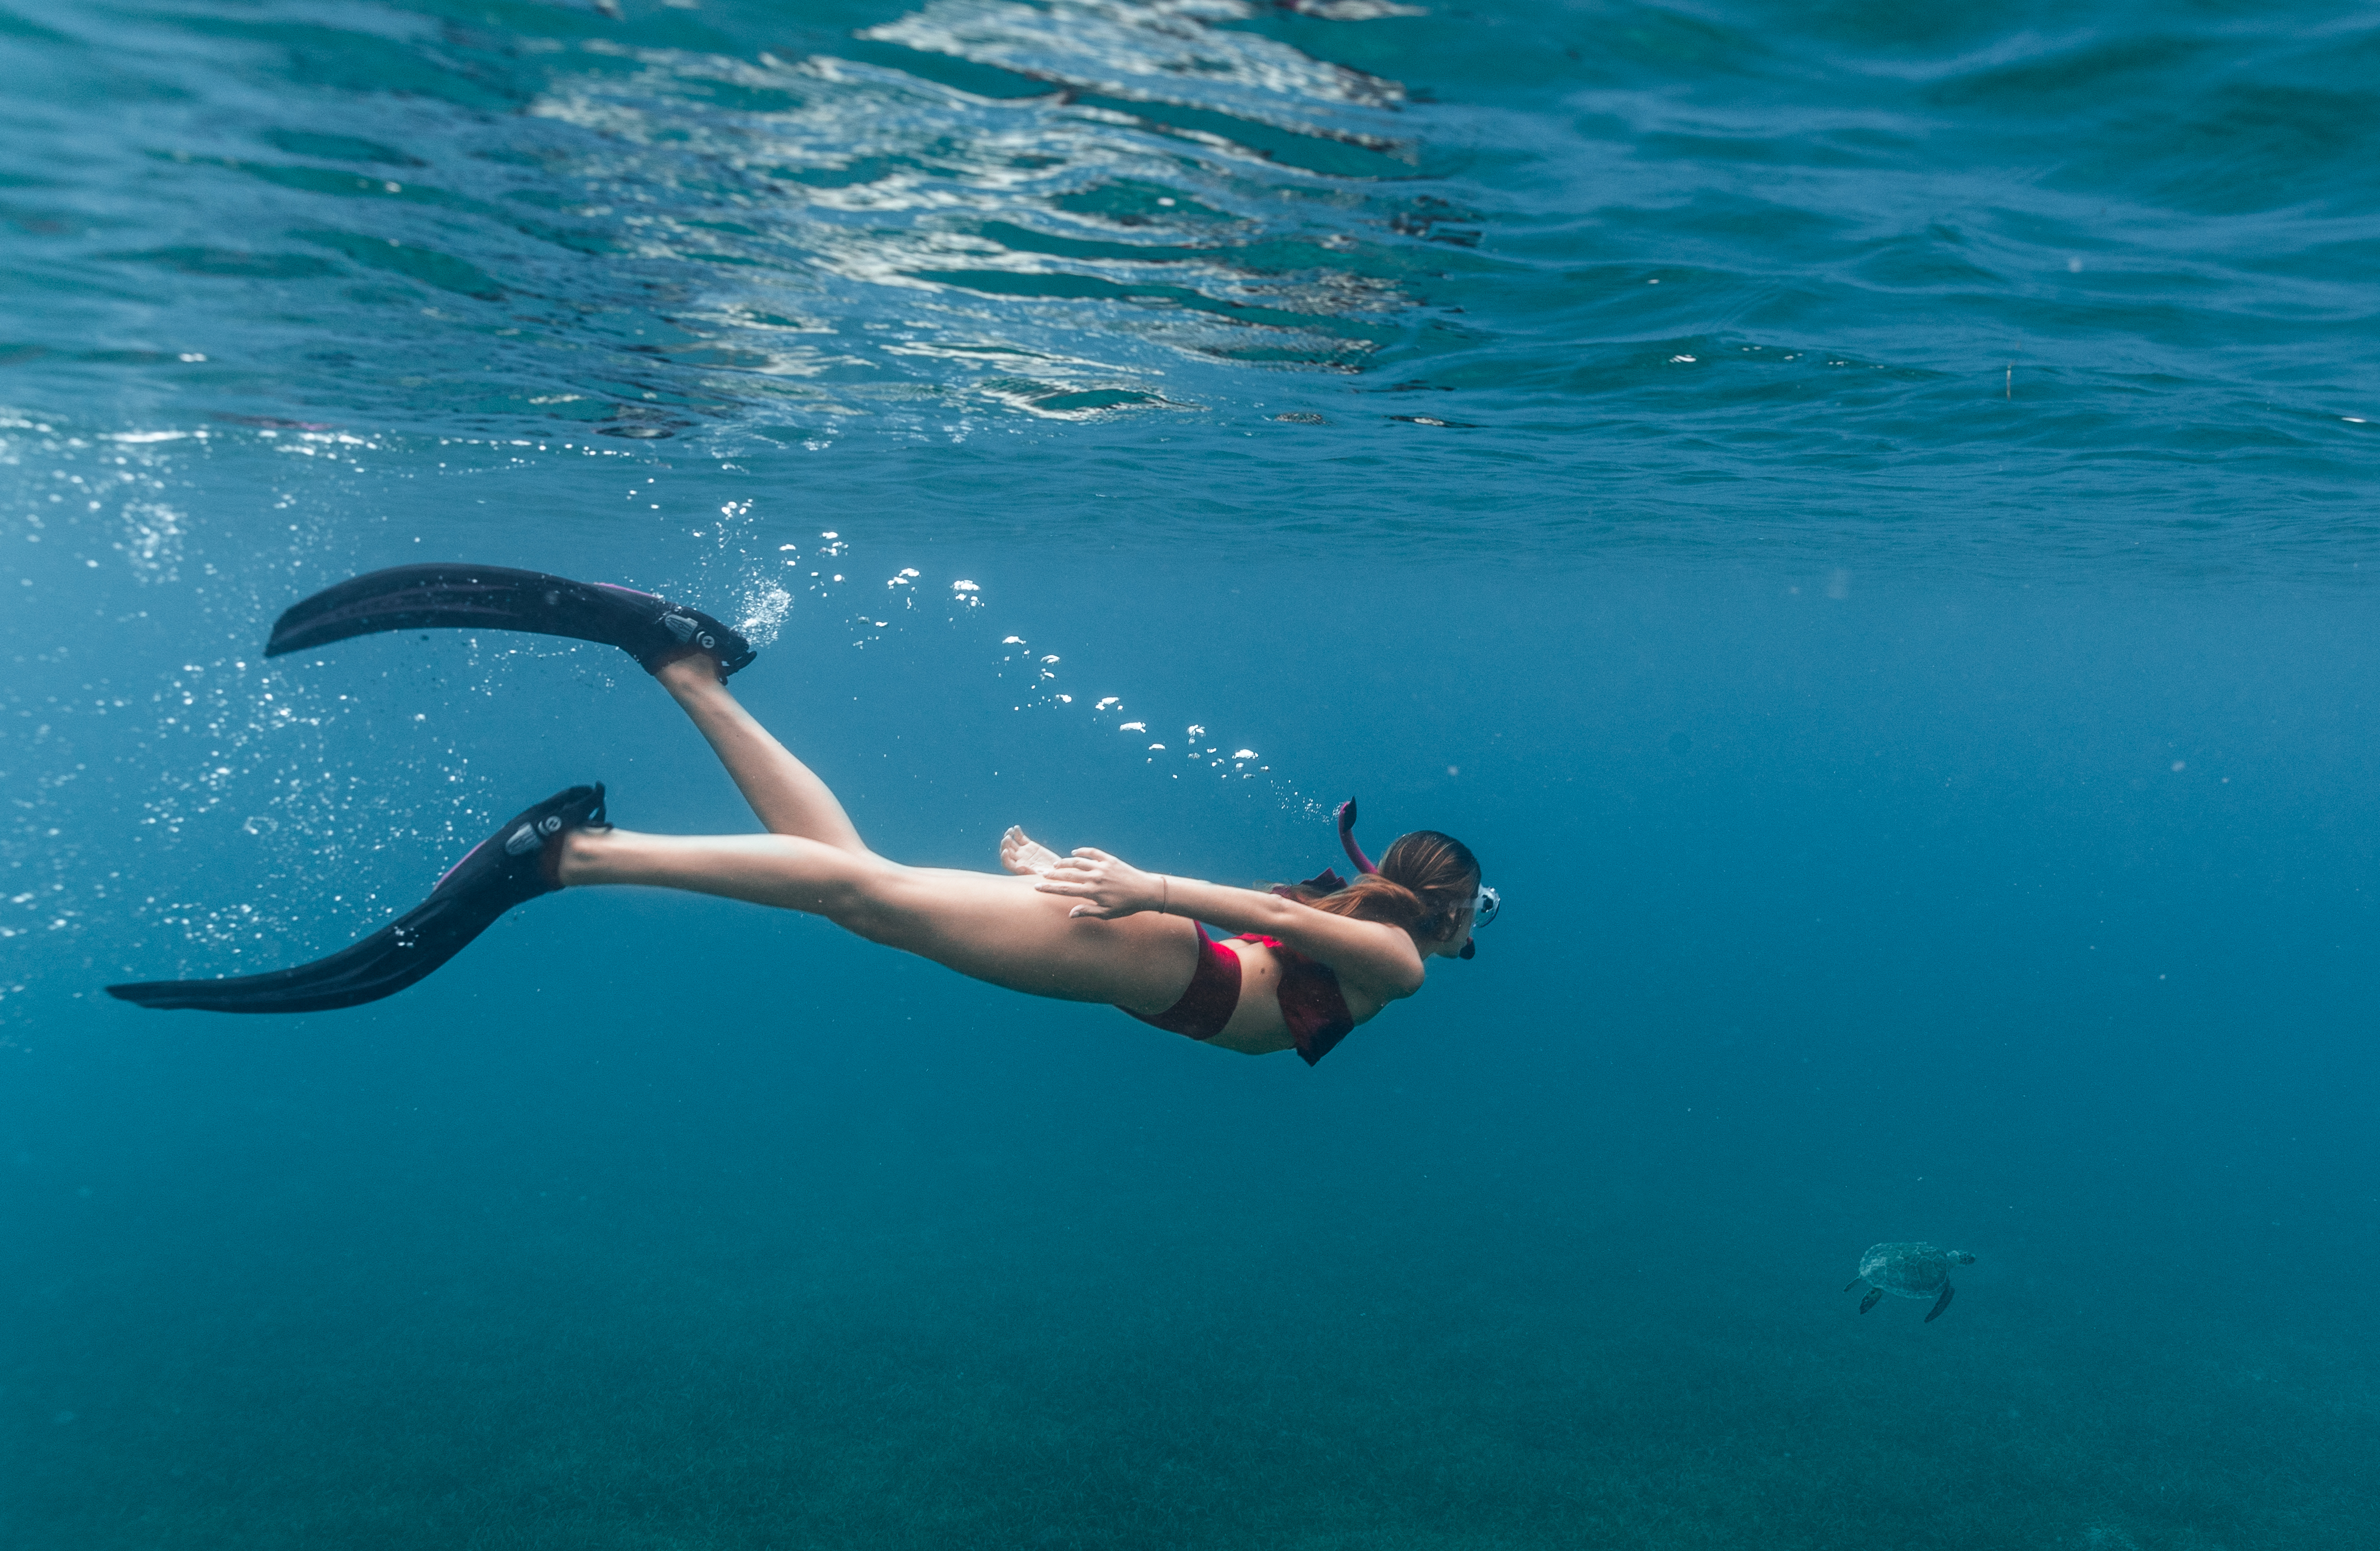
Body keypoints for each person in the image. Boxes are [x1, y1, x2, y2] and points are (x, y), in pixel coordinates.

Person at [108, 565, 1494, 1062]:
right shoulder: (1405, 966)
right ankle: (571, 855)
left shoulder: (1365, 924)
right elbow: (1255, 918)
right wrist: (1139, 888)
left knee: (858, 886)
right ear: (1444, 911)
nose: (1474, 932)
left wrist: (1074, 876)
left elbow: (1266, 919)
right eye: (1475, 912)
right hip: (1164, 964)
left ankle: (680, 658)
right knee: (864, 898)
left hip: (1164, 963)